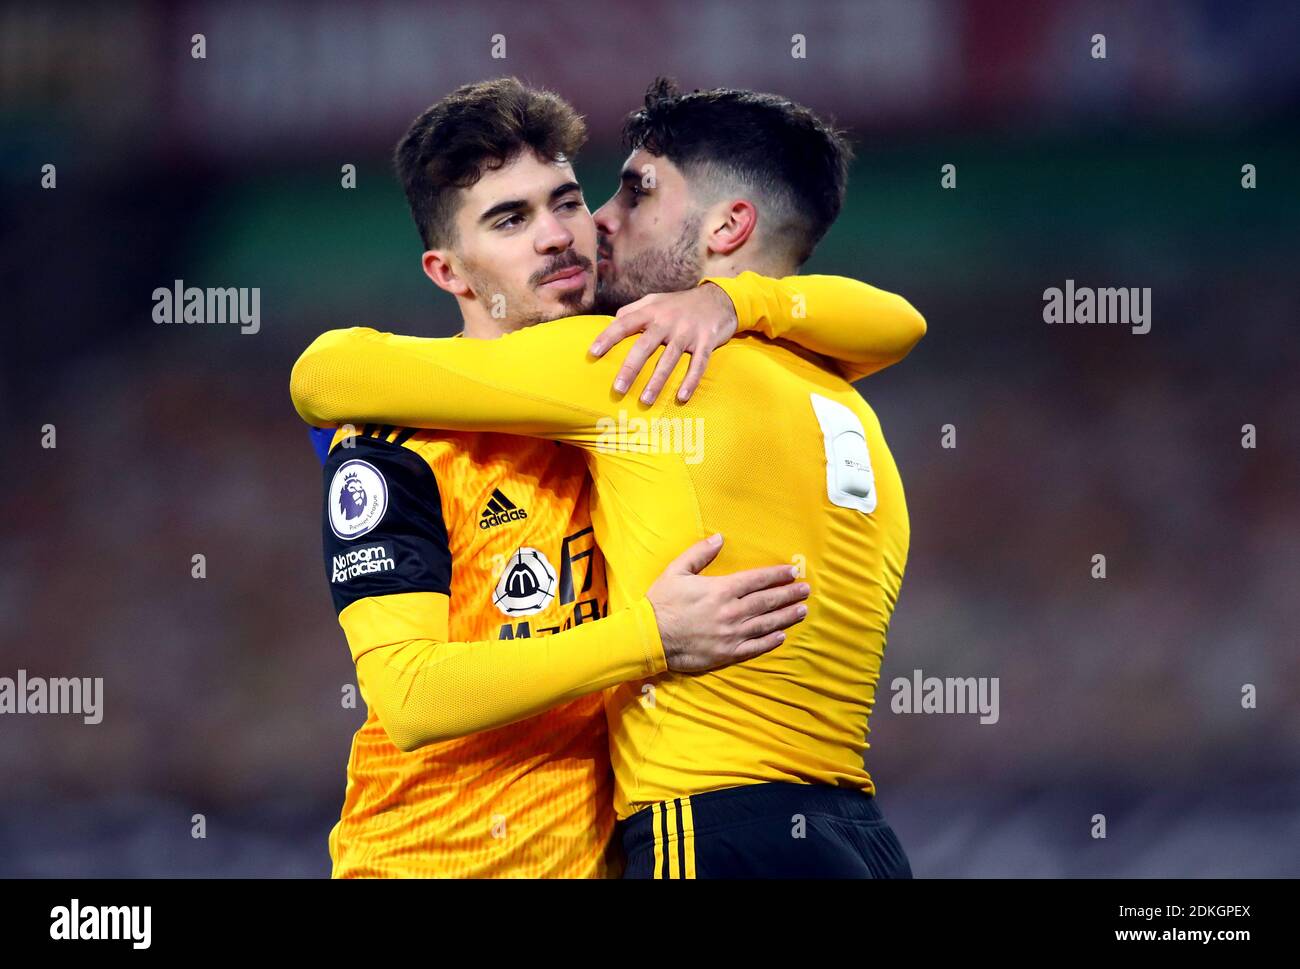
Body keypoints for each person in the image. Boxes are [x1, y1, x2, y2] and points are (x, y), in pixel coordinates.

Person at [292, 78, 926, 877]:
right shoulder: (397, 442)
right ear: (450, 272)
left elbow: (897, 320)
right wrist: (648, 638)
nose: (568, 233)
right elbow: (411, 697)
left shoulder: (640, 373)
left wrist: (731, 302)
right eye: (511, 220)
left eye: (566, 200)